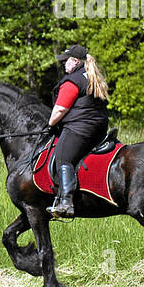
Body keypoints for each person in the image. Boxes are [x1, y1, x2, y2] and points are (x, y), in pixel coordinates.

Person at [46, 44, 110, 218]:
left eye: (65, 61)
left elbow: (59, 110)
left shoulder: (73, 81)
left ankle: (66, 203)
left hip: (80, 128)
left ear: (74, 61)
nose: (64, 64)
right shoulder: (91, 76)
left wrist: (50, 125)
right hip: (99, 128)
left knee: (63, 156)